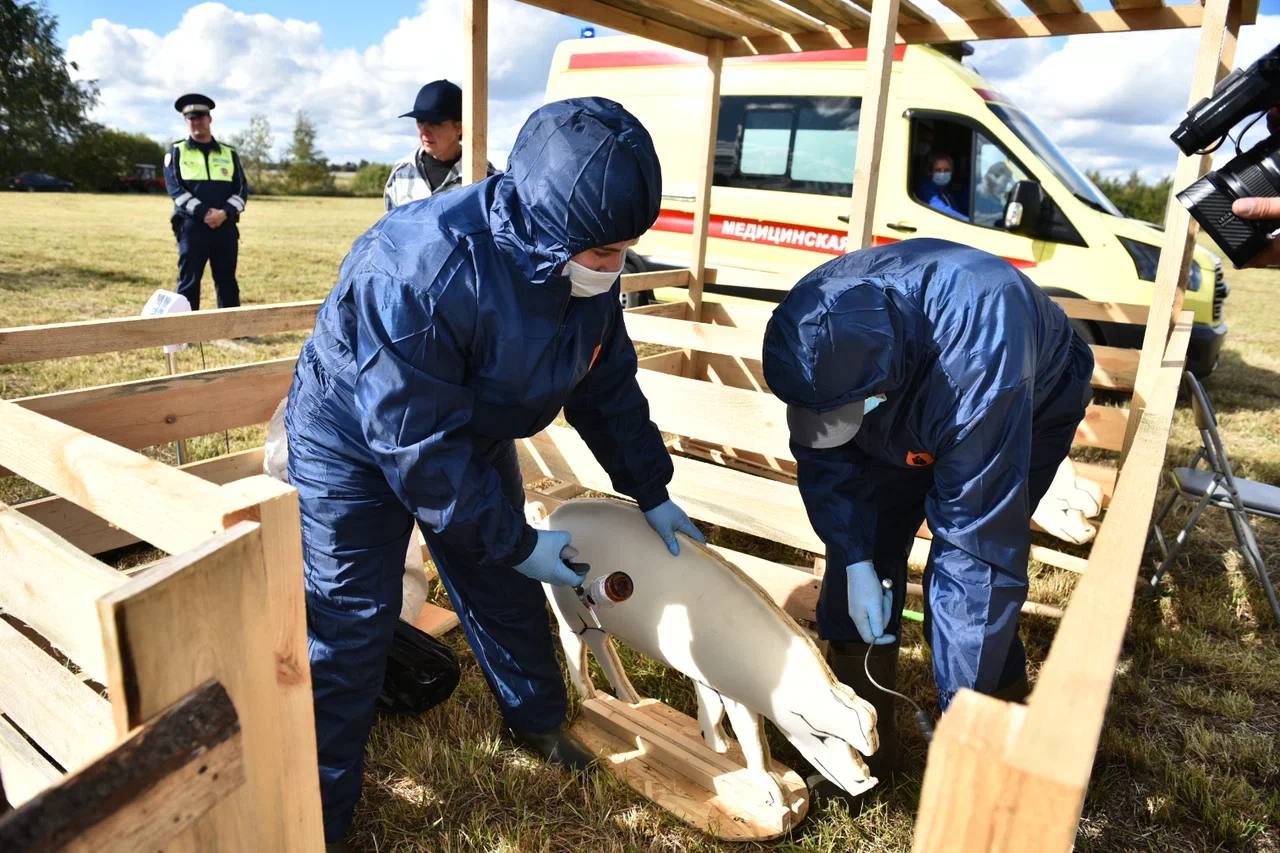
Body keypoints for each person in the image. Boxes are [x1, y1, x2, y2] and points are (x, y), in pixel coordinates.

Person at [286, 97, 703, 847]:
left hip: (466, 425)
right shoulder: (421, 269)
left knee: (504, 587)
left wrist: (653, 488)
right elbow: (413, 441)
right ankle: (318, 815)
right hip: (354, 436)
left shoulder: (585, 272)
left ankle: (538, 719)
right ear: (547, 228)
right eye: (606, 251)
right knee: (351, 619)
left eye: (626, 247)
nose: (618, 265)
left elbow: (606, 386)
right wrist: (512, 534)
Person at [762, 238, 1093, 782]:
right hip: (900, 386)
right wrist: (855, 557)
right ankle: (861, 739)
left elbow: (975, 547)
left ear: (881, 381)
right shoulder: (816, 323)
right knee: (866, 540)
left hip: (1026, 393)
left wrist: (964, 712)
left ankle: (986, 735)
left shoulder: (982, 362)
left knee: (973, 567)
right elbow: (827, 462)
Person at [163, 93, 248, 310]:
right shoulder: (176, 152)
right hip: (192, 227)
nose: (196, 121)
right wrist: (204, 213)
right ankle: (186, 332)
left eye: (201, 116)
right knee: (189, 280)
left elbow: (241, 190)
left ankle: (234, 331)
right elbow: (176, 190)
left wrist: (224, 213)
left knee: (227, 279)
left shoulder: (230, 153)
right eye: (191, 117)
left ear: (210, 119)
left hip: (225, 227)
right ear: (186, 121)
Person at [383, 79, 496, 210]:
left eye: (434, 123)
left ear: (459, 127)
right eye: (420, 121)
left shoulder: (486, 176)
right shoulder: (401, 172)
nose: (424, 132)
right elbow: (390, 228)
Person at [916, 153, 966, 220]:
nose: (942, 174)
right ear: (931, 171)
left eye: (946, 170)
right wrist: (967, 221)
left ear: (952, 172)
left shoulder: (946, 189)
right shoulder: (926, 188)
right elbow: (941, 209)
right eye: (938, 170)